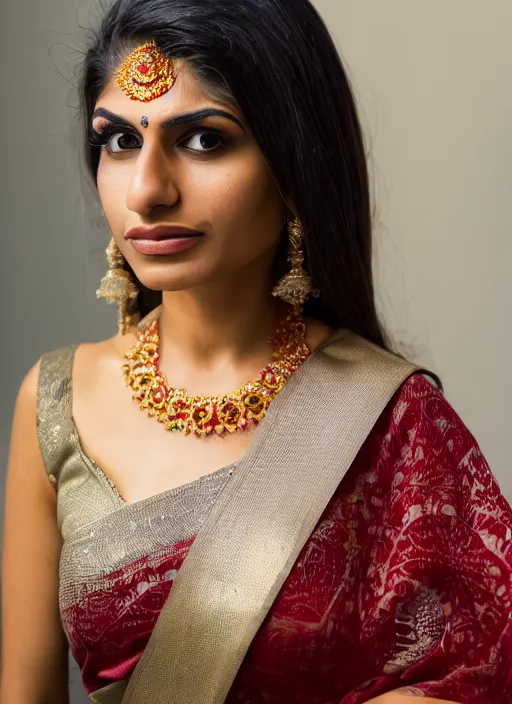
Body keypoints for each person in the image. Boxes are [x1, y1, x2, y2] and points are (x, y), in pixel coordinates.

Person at [1, 0, 510, 702]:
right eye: (119, 141)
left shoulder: (392, 420)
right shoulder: (55, 401)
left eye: (204, 140)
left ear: (293, 163)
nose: (147, 190)